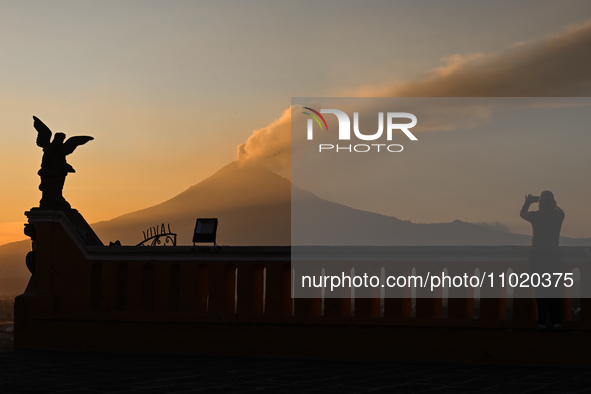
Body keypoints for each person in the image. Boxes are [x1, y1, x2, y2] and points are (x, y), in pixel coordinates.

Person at [520, 191, 565, 330]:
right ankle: (556, 321)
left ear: (540, 202)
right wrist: (551, 201)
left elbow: (522, 214)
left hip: (537, 255)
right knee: (553, 289)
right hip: (552, 255)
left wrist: (528, 202)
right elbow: (560, 210)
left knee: (539, 290)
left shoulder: (535, 215)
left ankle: (542, 322)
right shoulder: (558, 215)